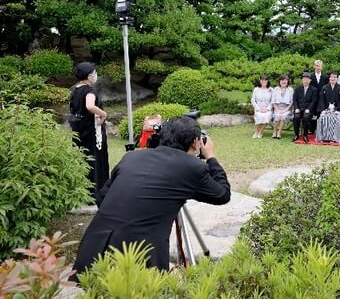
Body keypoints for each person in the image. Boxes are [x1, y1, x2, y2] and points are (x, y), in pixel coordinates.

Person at [72, 116, 230, 277]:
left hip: (95, 247)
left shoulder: (131, 157)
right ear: (196, 142)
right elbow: (222, 194)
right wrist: (210, 156)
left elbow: (102, 197)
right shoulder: (192, 167)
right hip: (139, 258)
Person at [69, 62, 109, 205]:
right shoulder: (89, 91)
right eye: (94, 72)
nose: (95, 75)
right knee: (95, 160)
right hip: (92, 131)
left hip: (79, 130)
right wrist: (103, 114)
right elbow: (90, 106)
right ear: (89, 75)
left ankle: (83, 192)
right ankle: (96, 193)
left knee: (83, 160)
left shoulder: (75, 89)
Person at [316, 71, 340, 142]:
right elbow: (321, 100)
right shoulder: (324, 88)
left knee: (336, 118)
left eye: (335, 77)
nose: (333, 78)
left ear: (337, 79)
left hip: (337, 110)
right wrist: (324, 109)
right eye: (331, 77)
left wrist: (337, 109)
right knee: (323, 118)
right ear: (329, 78)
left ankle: (335, 137)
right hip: (326, 110)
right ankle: (324, 137)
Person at [293, 72, 318, 143]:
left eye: (307, 79)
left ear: (310, 80)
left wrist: (308, 109)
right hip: (299, 109)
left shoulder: (313, 89)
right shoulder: (298, 89)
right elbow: (295, 100)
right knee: (296, 117)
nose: (305, 81)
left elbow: (313, 101)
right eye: (304, 79)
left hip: (308, 109)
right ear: (302, 80)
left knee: (306, 117)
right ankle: (296, 135)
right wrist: (296, 108)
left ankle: (305, 135)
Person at [271, 75, 293, 139]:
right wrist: (277, 109)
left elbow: (291, 102)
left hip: (287, 108)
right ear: (279, 81)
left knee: (283, 116)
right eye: (282, 80)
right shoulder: (276, 89)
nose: (284, 81)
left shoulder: (290, 89)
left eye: (285, 80)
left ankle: (279, 133)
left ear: (288, 81)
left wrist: (285, 110)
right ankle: (274, 132)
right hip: (277, 107)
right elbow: (273, 101)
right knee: (277, 115)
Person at [309, 60, 327, 133]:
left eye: (319, 65)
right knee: (312, 114)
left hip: (322, 99)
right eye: (316, 65)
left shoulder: (325, 77)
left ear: (322, 67)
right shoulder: (310, 76)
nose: (318, 67)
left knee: (320, 114)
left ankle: (320, 129)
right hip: (312, 98)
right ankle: (312, 129)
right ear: (314, 66)